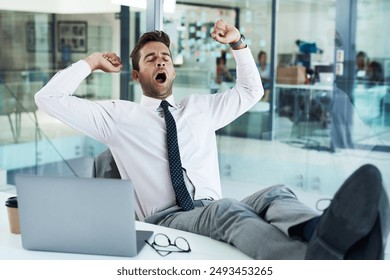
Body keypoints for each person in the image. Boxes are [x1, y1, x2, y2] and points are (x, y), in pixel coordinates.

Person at [35, 19, 389, 260]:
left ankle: (322, 233)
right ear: (137, 73)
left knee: (276, 193)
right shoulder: (117, 117)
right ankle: (304, 264)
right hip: (168, 218)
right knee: (225, 209)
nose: (161, 61)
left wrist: (238, 43)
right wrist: (92, 62)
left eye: (166, 57)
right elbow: (48, 100)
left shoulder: (199, 108)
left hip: (209, 206)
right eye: (150, 58)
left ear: (172, 69)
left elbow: (251, 91)